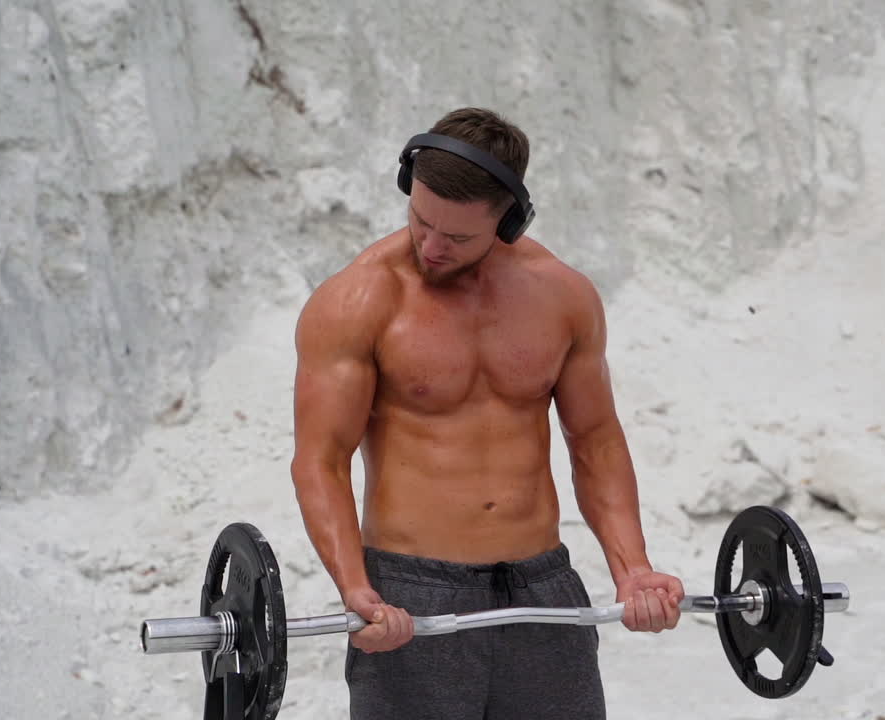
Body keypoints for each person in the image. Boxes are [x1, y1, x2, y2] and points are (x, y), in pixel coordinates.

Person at [290, 107, 683, 720]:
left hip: (541, 590)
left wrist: (633, 570)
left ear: (508, 221)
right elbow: (320, 461)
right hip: (411, 600)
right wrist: (357, 592)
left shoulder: (562, 295)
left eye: (459, 237)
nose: (432, 246)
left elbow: (596, 440)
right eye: (421, 221)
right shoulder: (358, 301)